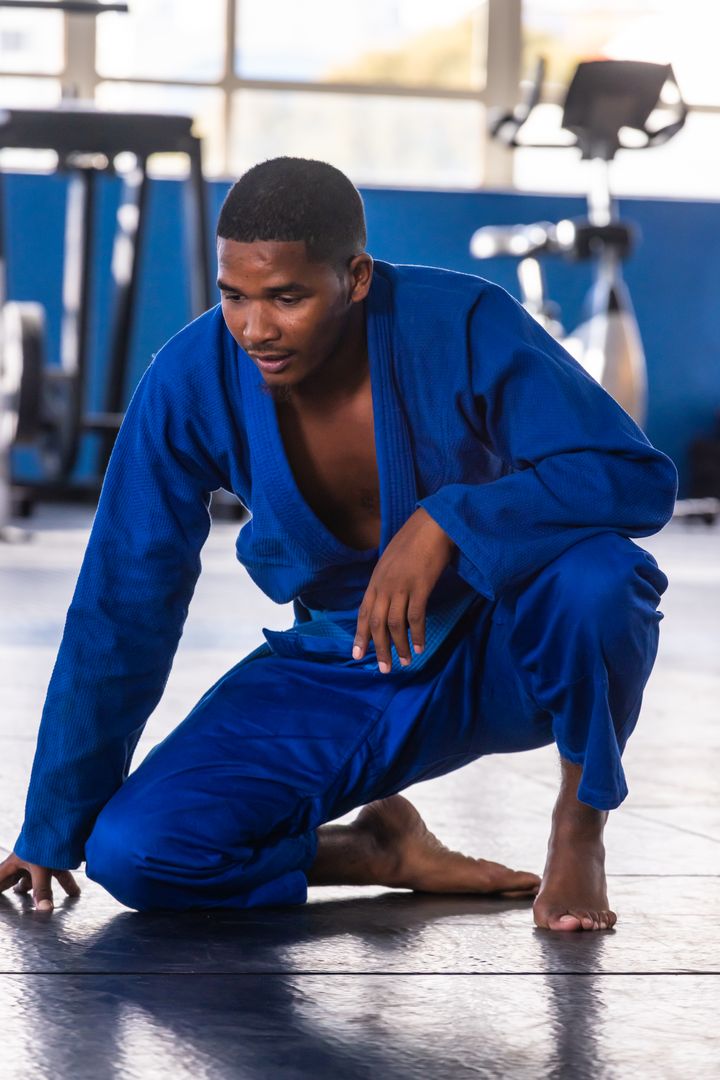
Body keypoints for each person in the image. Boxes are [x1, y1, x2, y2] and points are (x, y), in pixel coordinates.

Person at [0, 157, 675, 930]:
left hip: (505, 645)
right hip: (345, 665)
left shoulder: (461, 324)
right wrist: (52, 820)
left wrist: (450, 522)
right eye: (235, 297)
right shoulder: (190, 379)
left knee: (601, 578)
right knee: (135, 850)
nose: (256, 328)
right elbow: (124, 599)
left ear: (355, 277)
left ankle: (577, 829)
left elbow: (632, 478)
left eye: (287, 297)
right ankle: (371, 852)